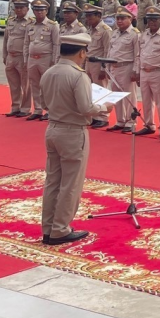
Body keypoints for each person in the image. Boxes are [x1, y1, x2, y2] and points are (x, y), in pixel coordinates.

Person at [39, 32, 108, 245]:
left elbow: (43, 104)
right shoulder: (78, 75)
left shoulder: (49, 72)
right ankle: (60, 229)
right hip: (72, 131)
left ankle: (49, 227)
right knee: (70, 183)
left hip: (53, 128)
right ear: (81, 52)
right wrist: (104, 107)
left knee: (53, 181)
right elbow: (86, 107)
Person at [24, 0, 61, 121]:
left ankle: (50, 110)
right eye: (36, 10)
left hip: (46, 59)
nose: (39, 12)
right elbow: (26, 43)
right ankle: (38, 109)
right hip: (32, 59)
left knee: (48, 85)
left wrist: (55, 61)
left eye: (42, 10)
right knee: (35, 84)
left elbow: (56, 44)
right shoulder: (30, 25)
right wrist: (26, 59)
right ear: (33, 11)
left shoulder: (52, 25)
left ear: (46, 11)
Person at [134, 7, 160, 137]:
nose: (152, 22)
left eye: (155, 19)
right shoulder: (144, 34)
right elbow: (138, 54)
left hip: (157, 71)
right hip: (144, 71)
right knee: (146, 100)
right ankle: (149, 124)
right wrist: (137, 71)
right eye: (149, 20)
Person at [105, 8, 140, 134]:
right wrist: (108, 66)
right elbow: (110, 50)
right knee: (116, 95)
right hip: (114, 67)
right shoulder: (114, 33)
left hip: (127, 66)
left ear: (130, 19)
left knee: (129, 95)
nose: (119, 21)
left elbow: (137, 54)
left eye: (122, 18)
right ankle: (120, 120)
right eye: (117, 18)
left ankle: (131, 121)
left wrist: (135, 70)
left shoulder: (134, 34)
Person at [2, 0, 34, 117]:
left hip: (22, 57)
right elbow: (6, 39)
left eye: (22, 8)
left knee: (25, 84)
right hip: (11, 57)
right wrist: (4, 55)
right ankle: (15, 106)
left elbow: (31, 41)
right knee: (13, 84)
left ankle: (25, 108)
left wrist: (28, 59)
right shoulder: (11, 21)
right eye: (17, 8)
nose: (19, 10)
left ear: (27, 8)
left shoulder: (30, 22)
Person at [83, 6, 113, 129]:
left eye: (91, 16)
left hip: (99, 62)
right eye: (87, 16)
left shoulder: (105, 30)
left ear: (99, 16)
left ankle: (103, 117)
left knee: (101, 90)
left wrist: (103, 68)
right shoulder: (89, 30)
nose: (88, 18)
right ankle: (94, 116)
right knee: (89, 90)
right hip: (88, 62)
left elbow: (107, 50)